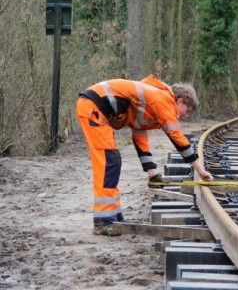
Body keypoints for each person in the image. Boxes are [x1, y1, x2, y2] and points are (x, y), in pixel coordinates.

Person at [75, 74, 213, 236]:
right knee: (109, 162)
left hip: (96, 110)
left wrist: (152, 173)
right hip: (94, 109)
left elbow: (140, 137)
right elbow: (176, 136)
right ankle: (104, 221)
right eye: (187, 110)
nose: (185, 115)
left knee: (112, 161)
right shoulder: (163, 99)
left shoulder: (149, 101)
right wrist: (200, 169)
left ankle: (112, 216)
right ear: (180, 101)